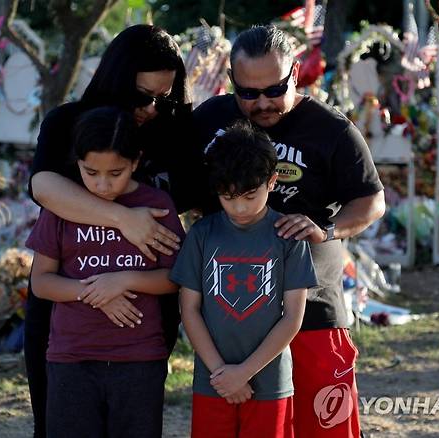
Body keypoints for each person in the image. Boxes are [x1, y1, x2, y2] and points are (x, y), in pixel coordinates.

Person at [192, 25, 386, 438]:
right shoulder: (209, 121)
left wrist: (327, 230)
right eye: (248, 93)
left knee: (326, 425)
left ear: (296, 72)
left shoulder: (331, 129)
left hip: (313, 308)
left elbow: (372, 201)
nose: (262, 103)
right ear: (231, 82)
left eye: (274, 89)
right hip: (233, 314)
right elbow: (177, 191)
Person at [26, 24, 198, 437]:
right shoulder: (67, 122)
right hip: (64, 329)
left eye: (164, 96)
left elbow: (197, 200)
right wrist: (123, 218)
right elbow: (43, 186)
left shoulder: (173, 130)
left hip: (140, 331)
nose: (154, 107)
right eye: (144, 95)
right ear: (117, 78)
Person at [171, 121, 318, 438]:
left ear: (273, 181)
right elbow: (189, 310)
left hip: (270, 382)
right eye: (227, 197)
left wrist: (244, 373)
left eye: (250, 196)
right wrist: (222, 375)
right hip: (213, 382)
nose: (239, 208)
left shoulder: (289, 236)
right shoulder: (201, 234)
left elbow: (292, 317)